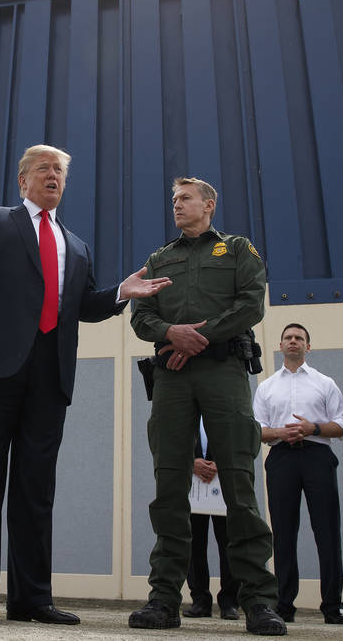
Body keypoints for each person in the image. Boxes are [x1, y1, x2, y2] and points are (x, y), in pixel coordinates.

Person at [0, 144, 171, 626]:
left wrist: (122, 292)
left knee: (37, 490)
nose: (53, 175)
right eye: (44, 168)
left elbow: (85, 306)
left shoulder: (76, 245)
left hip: (49, 374)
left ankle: (32, 598)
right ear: (24, 180)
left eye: (59, 170)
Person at [128, 177, 286, 636]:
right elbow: (141, 315)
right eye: (173, 200)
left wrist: (197, 338)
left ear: (208, 204)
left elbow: (251, 304)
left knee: (239, 482)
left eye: (185, 199)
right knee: (170, 484)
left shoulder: (237, 249)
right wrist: (169, 334)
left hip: (224, 371)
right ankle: (163, 601)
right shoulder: (160, 259)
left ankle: (258, 602)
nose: (177, 205)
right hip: (173, 376)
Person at [252, 323, 343, 625]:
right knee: (284, 533)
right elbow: (257, 429)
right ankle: (283, 605)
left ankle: (333, 606)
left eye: (299, 338)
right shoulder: (266, 387)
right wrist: (281, 433)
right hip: (282, 457)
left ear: (308, 347)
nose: (293, 341)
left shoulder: (325, 384)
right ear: (281, 345)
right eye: (288, 338)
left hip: (317, 455)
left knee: (327, 530)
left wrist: (313, 428)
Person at [184, 417, 241, 621]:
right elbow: (174, 438)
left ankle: (230, 603)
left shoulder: (223, 404)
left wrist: (222, 463)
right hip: (193, 483)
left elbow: (240, 437)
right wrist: (192, 461)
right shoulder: (186, 407)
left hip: (224, 480)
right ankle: (200, 601)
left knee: (229, 543)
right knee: (195, 544)